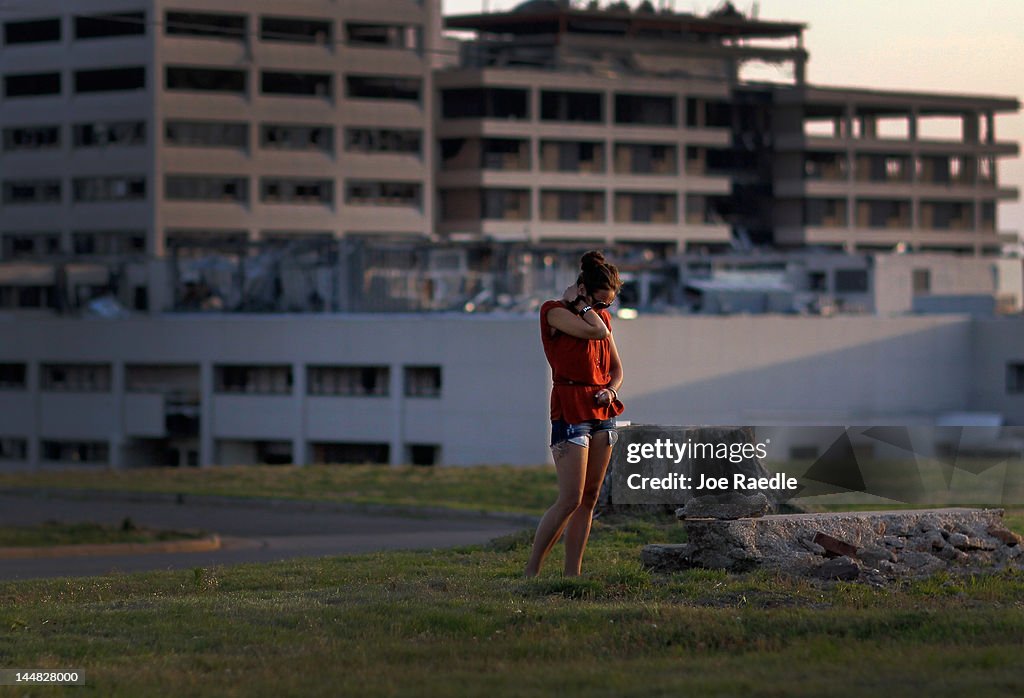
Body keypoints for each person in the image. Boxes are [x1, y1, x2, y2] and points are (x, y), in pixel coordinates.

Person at [525, 250, 624, 578]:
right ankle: (532, 573)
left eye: (608, 305)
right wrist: (582, 306)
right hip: (570, 408)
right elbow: (594, 332)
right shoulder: (554, 312)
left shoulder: (601, 318)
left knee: (590, 497)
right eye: (601, 302)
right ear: (582, 289)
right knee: (570, 497)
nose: (604, 310)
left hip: (601, 408)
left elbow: (616, 368)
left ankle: (572, 575)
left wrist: (612, 388)